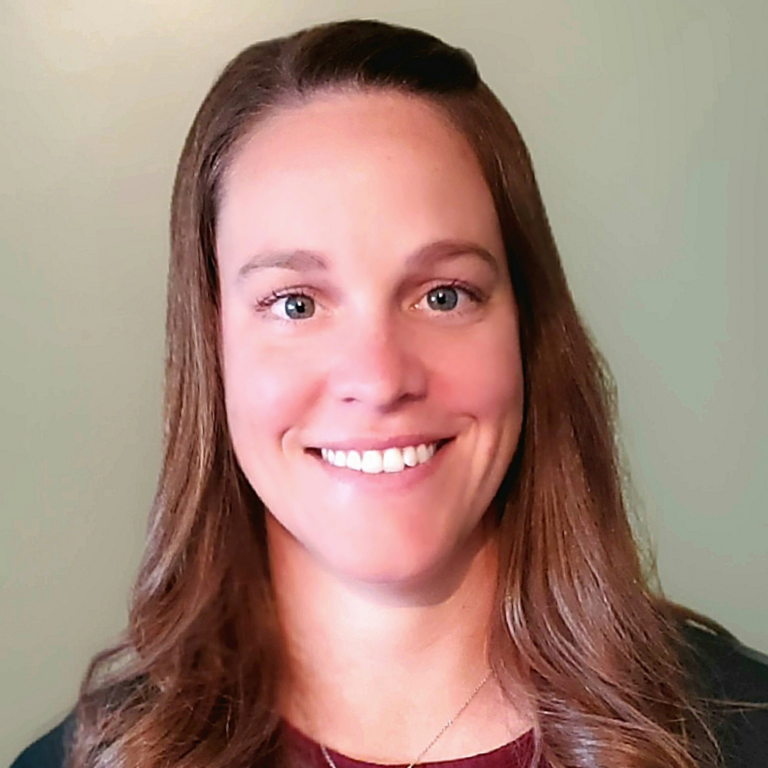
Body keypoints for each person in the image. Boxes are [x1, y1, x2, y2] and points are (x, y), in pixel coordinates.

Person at [12, 18, 768, 768]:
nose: (378, 379)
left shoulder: (742, 731)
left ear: (528, 328)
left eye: (443, 296)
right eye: (296, 304)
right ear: (212, 352)